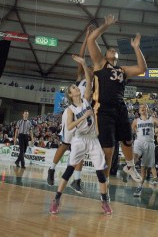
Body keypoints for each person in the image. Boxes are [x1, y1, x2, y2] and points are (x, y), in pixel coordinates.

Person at [87, 14, 147, 185]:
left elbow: (142, 68)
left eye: (115, 50)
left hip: (120, 107)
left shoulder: (123, 69)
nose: (114, 50)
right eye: (111, 49)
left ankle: (130, 166)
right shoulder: (100, 63)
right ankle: (103, 188)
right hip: (103, 109)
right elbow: (91, 40)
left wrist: (136, 47)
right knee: (109, 151)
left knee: (128, 140)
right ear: (105, 55)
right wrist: (105, 25)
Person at [50, 55, 112, 215]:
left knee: (100, 171)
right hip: (79, 140)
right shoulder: (71, 110)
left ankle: (104, 201)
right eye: (74, 89)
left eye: (77, 88)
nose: (78, 89)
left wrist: (84, 64)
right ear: (71, 95)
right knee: (69, 170)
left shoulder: (85, 100)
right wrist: (83, 118)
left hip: (92, 140)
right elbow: (70, 126)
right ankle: (56, 199)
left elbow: (90, 83)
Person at [47, 26, 94, 194]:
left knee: (80, 146)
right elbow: (81, 57)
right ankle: (52, 168)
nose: (92, 67)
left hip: (84, 112)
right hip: (72, 111)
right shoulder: (81, 77)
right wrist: (86, 37)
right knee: (65, 143)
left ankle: (77, 180)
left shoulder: (93, 82)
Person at [132, 103, 158, 197]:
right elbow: (132, 129)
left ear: (147, 110)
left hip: (150, 144)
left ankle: (140, 186)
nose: (142, 108)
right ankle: (130, 168)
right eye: (141, 107)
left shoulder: (153, 119)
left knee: (144, 168)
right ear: (139, 111)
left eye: (144, 107)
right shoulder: (136, 121)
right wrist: (135, 131)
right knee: (135, 155)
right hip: (139, 142)